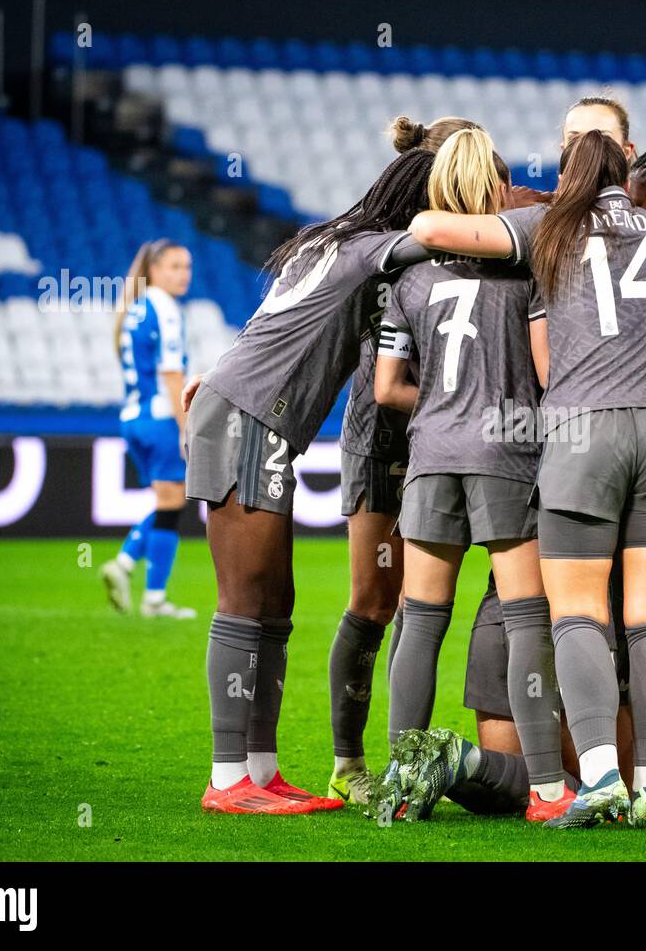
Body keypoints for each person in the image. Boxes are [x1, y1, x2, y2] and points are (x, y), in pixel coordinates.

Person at [407, 131, 646, 828]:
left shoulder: (551, 224)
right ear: (633, 176)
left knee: (579, 613)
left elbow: (430, 226)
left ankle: (602, 776)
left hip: (583, 437)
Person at [181, 148, 436, 814]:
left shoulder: (334, 240)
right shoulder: (370, 250)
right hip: (247, 416)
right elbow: (437, 235)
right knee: (244, 601)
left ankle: (260, 773)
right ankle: (227, 779)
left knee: (276, 603)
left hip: (251, 413)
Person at [374, 128, 572, 821]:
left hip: (431, 456)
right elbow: (551, 375)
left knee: (420, 622)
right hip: (506, 457)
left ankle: (402, 786)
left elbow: (383, 389)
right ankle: (548, 787)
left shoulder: (410, 277)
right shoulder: (529, 271)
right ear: (495, 189)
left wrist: (438, 408)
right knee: (527, 621)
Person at [327, 115, 480, 805]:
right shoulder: (394, 240)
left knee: (423, 601)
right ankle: (349, 759)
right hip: (384, 437)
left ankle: (407, 757)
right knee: (377, 599)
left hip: (443, 436)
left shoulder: (468, 237)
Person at [100, 240, 198, 619]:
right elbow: (172, 375)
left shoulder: (135, 308)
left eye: (187, 267)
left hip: (133, 419)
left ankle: (140, 584)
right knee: (172, 504)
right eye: (174, 266)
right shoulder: (165, 308)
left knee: (167, 502)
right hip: (159, 419)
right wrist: (185, 427)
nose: (183, 274)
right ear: (154, 270)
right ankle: (141, 583)